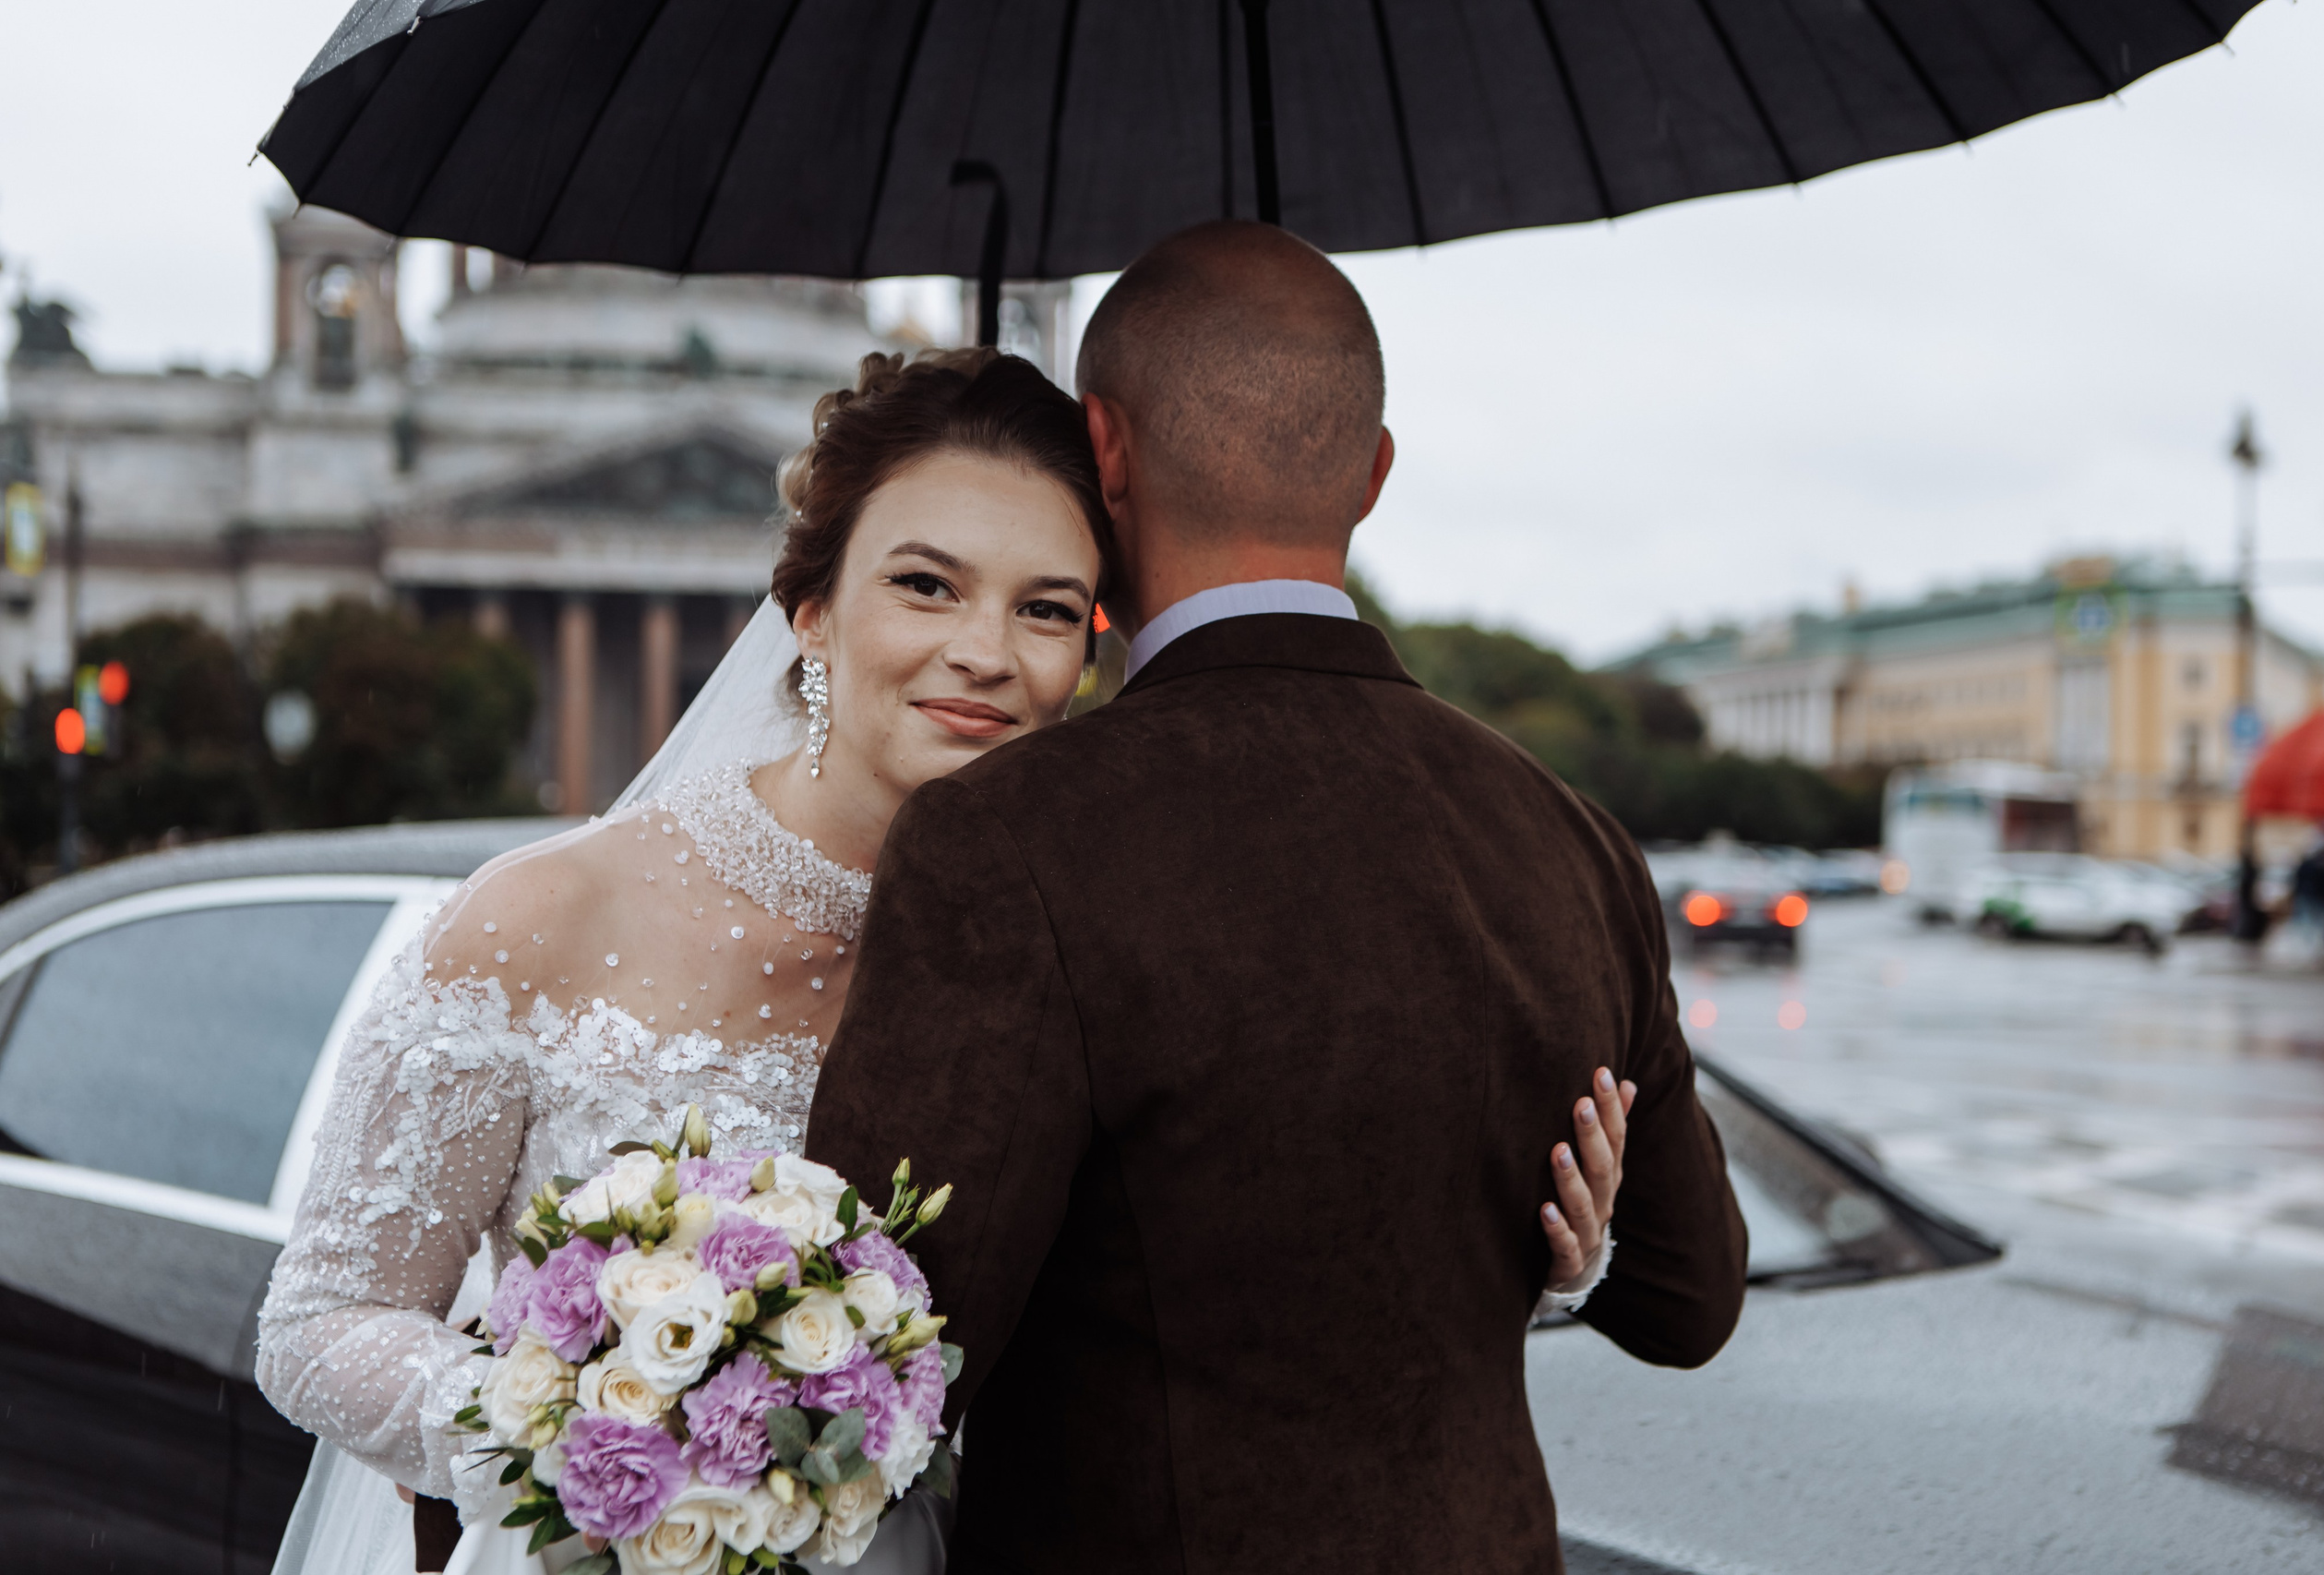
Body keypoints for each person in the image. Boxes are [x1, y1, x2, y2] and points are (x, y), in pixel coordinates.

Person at [255, 337, 1630, 1575]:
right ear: (810, 612)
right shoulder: (544, 915)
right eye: (926, 584)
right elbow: (322, 1323)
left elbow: (1237, 1292)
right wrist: (619, 1441)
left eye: (1047, 611)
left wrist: (1546, 1241)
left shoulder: (1096, 947)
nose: (985, 654)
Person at [805, 222, 1749, 1575]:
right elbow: (1691, 1298)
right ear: (1371, 476)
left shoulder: (1010, 834)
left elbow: (890, 1343)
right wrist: (1558, 1255)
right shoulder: (1575, 837)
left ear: (1105, 452)